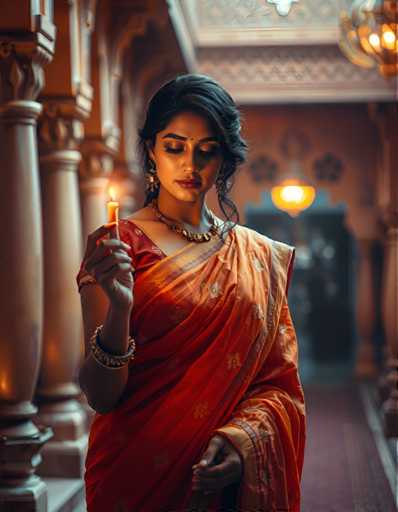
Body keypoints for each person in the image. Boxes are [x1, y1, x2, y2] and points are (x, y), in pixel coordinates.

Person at [76, 73, 306, 512]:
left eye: (207, 151)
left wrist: (244, 444)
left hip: (221, 480)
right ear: (151, 151)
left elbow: (278, 385)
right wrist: (121, 308)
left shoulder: (257, 256)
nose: (191, 165)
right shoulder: (116, 247)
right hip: (134, 475)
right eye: (174, 146)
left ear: (225, 159)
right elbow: (101, 396)